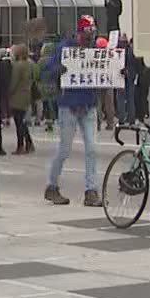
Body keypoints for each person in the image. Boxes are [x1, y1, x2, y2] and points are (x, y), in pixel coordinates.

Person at [42, 25, 103, 206]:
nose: (88, 39)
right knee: (64, 149)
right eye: (86, 35)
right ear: (79, 33)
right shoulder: (63, 48)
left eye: (91, 35)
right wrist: (56, 71)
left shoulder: (93, 50)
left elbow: (104, 71)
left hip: (88, 104)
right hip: (69, 104)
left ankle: (91, 190)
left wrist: (117, 75)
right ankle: (51, 185)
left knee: (92, 148)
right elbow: (47, 71)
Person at [7, 43, 37, 153]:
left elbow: (14, 82)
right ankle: (29, 143)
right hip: (26, 94)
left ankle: (21, 146)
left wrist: (8, 93)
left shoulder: (17, 65)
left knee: (19, 122)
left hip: (17, 96)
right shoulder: (29, 64)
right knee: (22, 121)